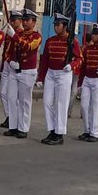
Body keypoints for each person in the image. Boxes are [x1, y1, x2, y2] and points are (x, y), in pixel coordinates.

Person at [37, 13, 81, 145]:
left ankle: (59, 133)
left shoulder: (73, 41)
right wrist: (40, 77)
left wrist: (71, 65)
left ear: (65, 26)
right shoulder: (50, 41)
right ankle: (52, 129)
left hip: (64, 73)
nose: (56, 27)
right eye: (55, 25)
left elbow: (80, 58)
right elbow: (44, 61)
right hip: (51, 73)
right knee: (47, 102)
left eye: (58, 25)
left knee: (61, 104)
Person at [3, 9, 41, 140]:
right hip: (15, 70)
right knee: (11, 98)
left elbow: (28, 47)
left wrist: (14, 36)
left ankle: (23, 128)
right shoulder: (18, 34)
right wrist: (11, 61)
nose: (24, 23)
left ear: (34, 22)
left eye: (27, 20)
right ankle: (13, 126)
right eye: (23, 20)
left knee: (25, 101)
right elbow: (7, 52)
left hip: (27, 72)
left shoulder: (36, 36)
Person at [0, 9, 23, 130]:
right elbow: (5, 49)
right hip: (8, 64)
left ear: (20, 21)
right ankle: (9, 116)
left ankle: (14, 118)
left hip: (15, 65)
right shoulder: (9, 32)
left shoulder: (20, 34)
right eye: (11, 20)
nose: (12, 22)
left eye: (14, 20)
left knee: (13, 95)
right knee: (3, 93)